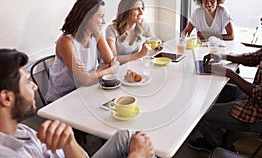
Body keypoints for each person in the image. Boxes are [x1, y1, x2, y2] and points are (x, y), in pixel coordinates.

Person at [188, 0, 262, 151]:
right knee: (214, 94)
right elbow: (253, 58)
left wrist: (227, 72)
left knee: (199, 113)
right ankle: (218, 134)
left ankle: (219, 147)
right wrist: (222, 56)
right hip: (259, 101)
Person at [0, 48, 155, 158]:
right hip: (67, 101)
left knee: (127, 134)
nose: (35, 86)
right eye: (27, 82)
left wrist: (70, 143)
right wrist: (137, 156)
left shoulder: (20, 130)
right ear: (7, 98)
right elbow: (87, 78)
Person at [46, 0, 119, 102]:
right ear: (86, 17)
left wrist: (93, 74)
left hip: (85, 92)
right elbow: (86, 80)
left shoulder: (97, 35)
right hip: (62, 99)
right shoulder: (65, 42)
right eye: (100, 16)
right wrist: (110, 70)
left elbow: (111, 62)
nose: (104, 22)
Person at [106, 0, 161, 64]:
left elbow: (154, 40)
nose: (141, 12)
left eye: (142, 8)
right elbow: (112, 59)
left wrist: (157, 47)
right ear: (126, 12)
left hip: (134, 66)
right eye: (136, 9)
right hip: (118, 69)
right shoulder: (111, 30)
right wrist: (139, 54)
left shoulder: (142, 24)